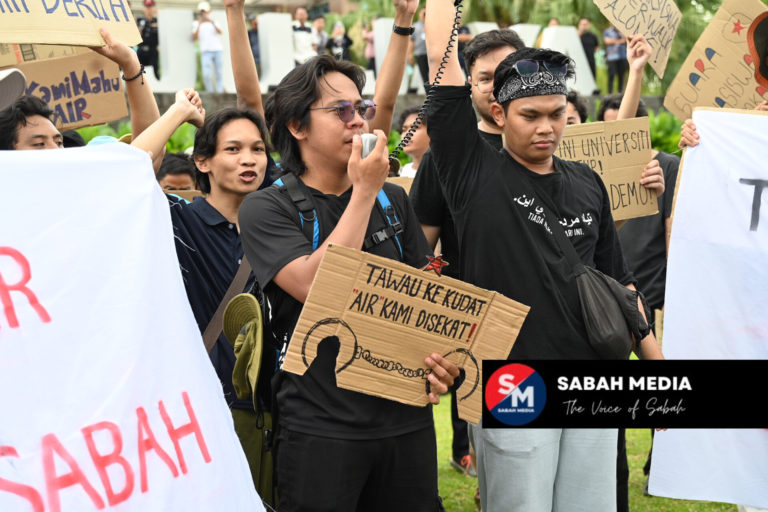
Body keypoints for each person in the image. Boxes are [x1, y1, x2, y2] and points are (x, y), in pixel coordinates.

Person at [425, 2, 664, 511]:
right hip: (513, 380)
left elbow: (621, 283)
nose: (546, 127)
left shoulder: (587, 182)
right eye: (530, 115)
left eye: (556, 114)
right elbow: (442, 70)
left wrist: (656, 371)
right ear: (497, 113)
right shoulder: (470, 173)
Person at [239, 49, 458, 510]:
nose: (357, 121)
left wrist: (444, 363)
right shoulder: (267, 208)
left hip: (405, 419)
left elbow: (425, 297)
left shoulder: (392, 202)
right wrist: (363, 192)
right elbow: (317, 288)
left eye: (362, 109)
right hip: (321, 425)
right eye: (340, 110)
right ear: (296, 127)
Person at [409, 29, 526, 478]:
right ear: (471, 88)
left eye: (509, 73)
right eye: (484, 78)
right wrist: (448, 278)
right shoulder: (449, 158)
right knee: (508, 468)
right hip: (482, 331)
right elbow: (421, 248)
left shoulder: (556, 149)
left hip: (557, 327)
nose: (498, 86)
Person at [193, 1, 225, 93]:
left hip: (217, 50)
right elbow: (194, 37)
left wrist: (211, 21)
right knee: (207, 74)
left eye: (205, 12)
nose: (203, 14)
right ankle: (210, 92)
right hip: (205, 51)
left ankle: (220, 92)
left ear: (209, 12)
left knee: (219, 73)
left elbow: (220, 32)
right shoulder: (196, 23)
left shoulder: (214, 22)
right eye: (202, 12)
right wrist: (200, 23)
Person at [398, 104, 428, 177]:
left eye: (415, 128)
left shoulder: (446, 173)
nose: (407, 134)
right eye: (404, 130)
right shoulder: (402, 172)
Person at [137, 0, 160, 79]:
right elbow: (137, 36)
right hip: (141, 50)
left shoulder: (158, 21)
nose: (149, 9)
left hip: (152, 51)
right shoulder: (140, 20)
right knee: (139, 72)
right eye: (147, 7)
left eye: (150, 7)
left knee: (154, 72)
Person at [604, 25, 628, 94]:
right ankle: (610, 93)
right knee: (611, 75)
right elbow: (607, 41)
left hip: (622, 57)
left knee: (621, 76)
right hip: (612, 57)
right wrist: (620, 41)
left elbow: (627, 40)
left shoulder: (623, 31)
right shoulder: (607, 31)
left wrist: (622, 35)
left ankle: (620, 93)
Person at [409, 8, 429, 86]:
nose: (424, 14)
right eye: (423, 12)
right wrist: (410, 54)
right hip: (420, 54)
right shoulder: (415, 26)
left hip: (431, 54)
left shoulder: (433, 24)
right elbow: (411, 41)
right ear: (419, 14)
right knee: (424, 75)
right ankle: (429, 94)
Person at [578, 17, 598, 84]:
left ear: (589, 25)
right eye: (582, 24)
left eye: (586, 24)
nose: (584, 26)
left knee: (592, 79)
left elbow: (596, 47)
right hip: (580, 62)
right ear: (579, 25)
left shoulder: (593, 36)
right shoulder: (576, 36)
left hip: (591, 61)